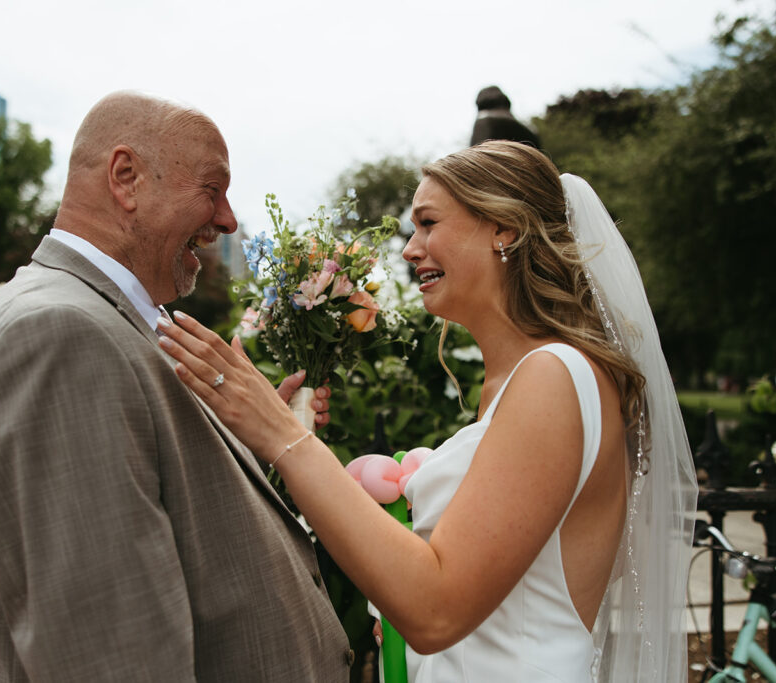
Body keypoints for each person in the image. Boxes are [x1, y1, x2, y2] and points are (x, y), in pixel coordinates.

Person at [156, 140, 698, 682]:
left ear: (503, 229)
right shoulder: (510, 385)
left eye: (428, 223)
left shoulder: (553, 376)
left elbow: (436, 610)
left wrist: (284, 437)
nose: (411, 249)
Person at [0, 91, 354, 682]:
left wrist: (260, 445)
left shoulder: (107, 323)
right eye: (212, 188)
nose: (228, 219)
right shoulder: (58, 335)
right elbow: (110, 655)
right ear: (126, 178)